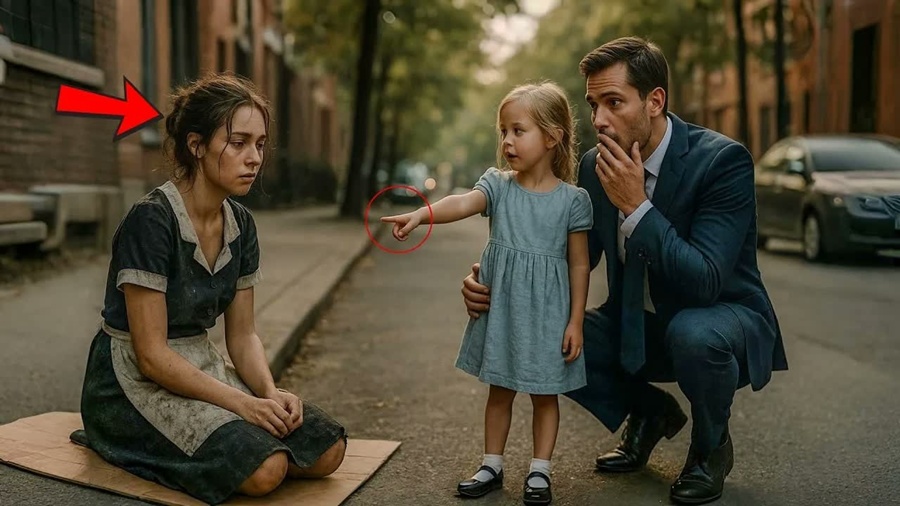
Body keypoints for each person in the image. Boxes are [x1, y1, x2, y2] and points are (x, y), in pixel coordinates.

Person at [462, 37, 787, 505]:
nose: (598, 119)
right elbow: (568, 260)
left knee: (694, 333)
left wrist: (637, 206)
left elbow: (706, 281)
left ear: (655, 101)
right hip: (637, 323)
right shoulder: (595, 166)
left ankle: (710, 447)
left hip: (720, 319)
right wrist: (489, 282)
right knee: (556, 334)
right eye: (593, 104)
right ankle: (650, 412)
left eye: (614, 103)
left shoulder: (721, 162)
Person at [77, 73, 347, 505]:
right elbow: (151, 356)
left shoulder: (242, 224)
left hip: (200, 364)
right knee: (266, 470)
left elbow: (243, 336)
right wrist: (241, 404)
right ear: (196, 145)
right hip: (131, 381)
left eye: (260, 144)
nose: (254, 158)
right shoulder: (152, 220)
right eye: (238, 143)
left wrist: (268, 393)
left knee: (326, 449)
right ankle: (124, 442)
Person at [381, 81, 593, 505]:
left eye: (518, 131)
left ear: (552, 137)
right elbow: (461, 203)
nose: (507, 141)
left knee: (545, 395)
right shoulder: (498, 185)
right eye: (504, 132)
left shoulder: (573, 200)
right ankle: (491, 464)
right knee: (499, 392)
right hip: (504, 312)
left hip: (547, 315)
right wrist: (422, 214)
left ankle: (540, 470)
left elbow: (579, 264)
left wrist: (575, 321)